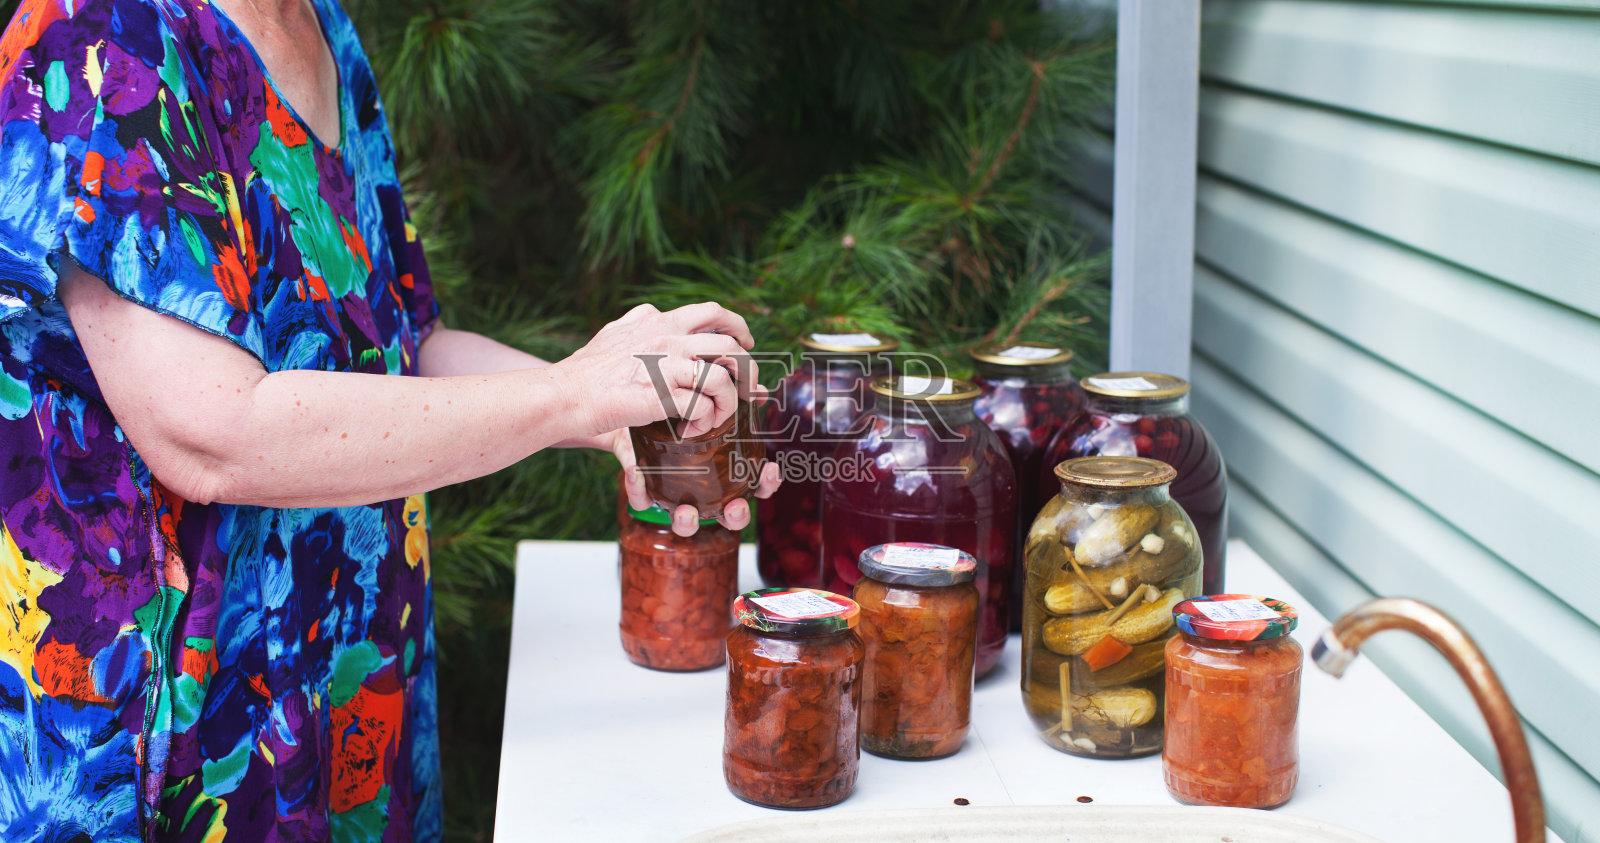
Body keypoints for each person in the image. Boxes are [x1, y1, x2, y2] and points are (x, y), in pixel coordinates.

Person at [0, 0, 778, 839]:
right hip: (175, 731)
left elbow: (406, 347)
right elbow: (216, 434)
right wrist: (575, 394)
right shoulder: (98, 36)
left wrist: (622, 408)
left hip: (350, 685)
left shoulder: (319, 26)